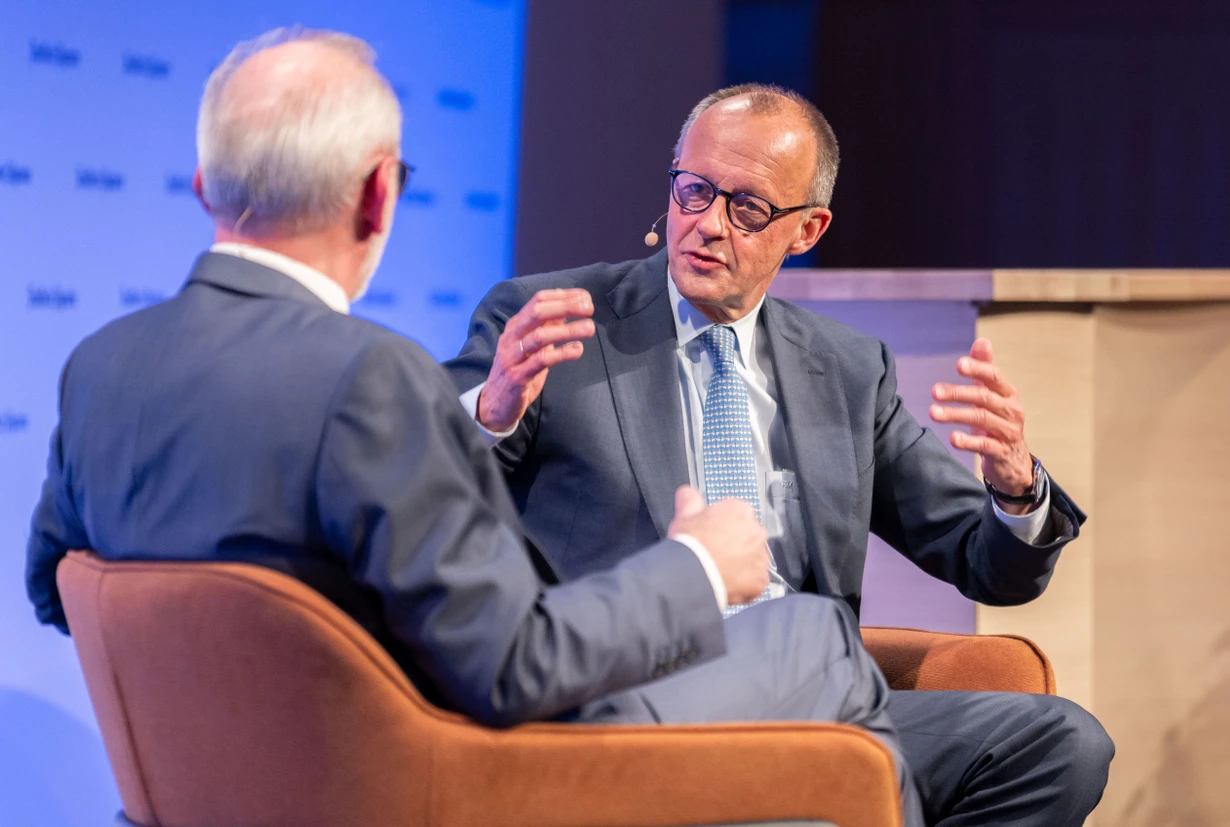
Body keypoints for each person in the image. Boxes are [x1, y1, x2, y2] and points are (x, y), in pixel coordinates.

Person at [25, 33, 927, 825]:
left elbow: (55, 588)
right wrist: (696, 565)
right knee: (814, 639)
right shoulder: (371, 379)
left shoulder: (100, 363)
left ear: (201, 186)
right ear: (380, 195)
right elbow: (512, 664)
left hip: (200, 796)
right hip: (417, 781)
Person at [445, 83, 1114, 826]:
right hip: (634, 701)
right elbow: (431, 495)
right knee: (799, 796)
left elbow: (985, 563)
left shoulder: (848, 370)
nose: (708, 225)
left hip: (813, 706)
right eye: (694, 191)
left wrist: (1016, 488)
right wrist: (493, 410)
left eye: (748, 208)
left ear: (807, 229)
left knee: (1063, 744)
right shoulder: (551, 322)